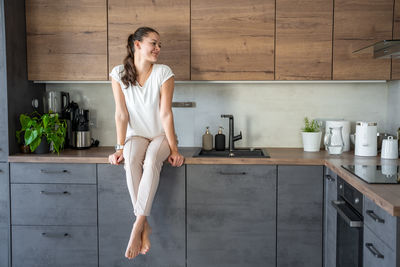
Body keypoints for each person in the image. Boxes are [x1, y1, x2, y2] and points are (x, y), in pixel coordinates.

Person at [108, 26, 184, 260]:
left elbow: (166, 114)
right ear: (137, 45)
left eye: (160, 45)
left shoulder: (164, 72)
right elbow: (121, 114)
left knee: (152, 160)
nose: (158, 48)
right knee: (131, 160)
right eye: (154, 43)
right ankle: (145, 224)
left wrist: (174, 149)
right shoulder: (118, 73)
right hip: (135, 136)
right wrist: (119, 147)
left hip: (160, 135)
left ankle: (138, 225)